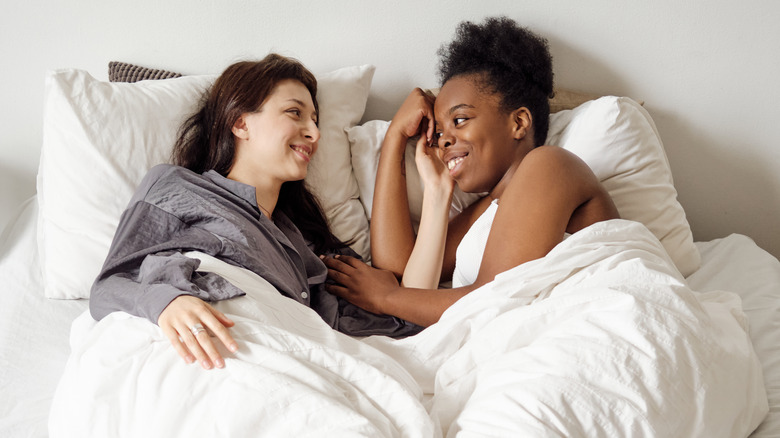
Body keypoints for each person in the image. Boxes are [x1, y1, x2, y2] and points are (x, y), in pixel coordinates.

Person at [89, 54, 421, 371]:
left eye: (316, 122)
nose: (315, 134)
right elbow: (108, 287)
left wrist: (391, 288)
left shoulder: (303, 241)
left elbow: (388, 312)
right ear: (240, 123)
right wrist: (166, 302)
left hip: (284, 351)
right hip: (205, 345)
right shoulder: (177, 186)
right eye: (295, 113)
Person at [323, 17, 619, 327]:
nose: (444, 139)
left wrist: (386, 299)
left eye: (460, 120)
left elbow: (494, 298)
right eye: (438, 133)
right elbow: (397, 269)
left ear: (519, 123)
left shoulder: (550, 165)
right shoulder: (485, 213)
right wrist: (396, 136)